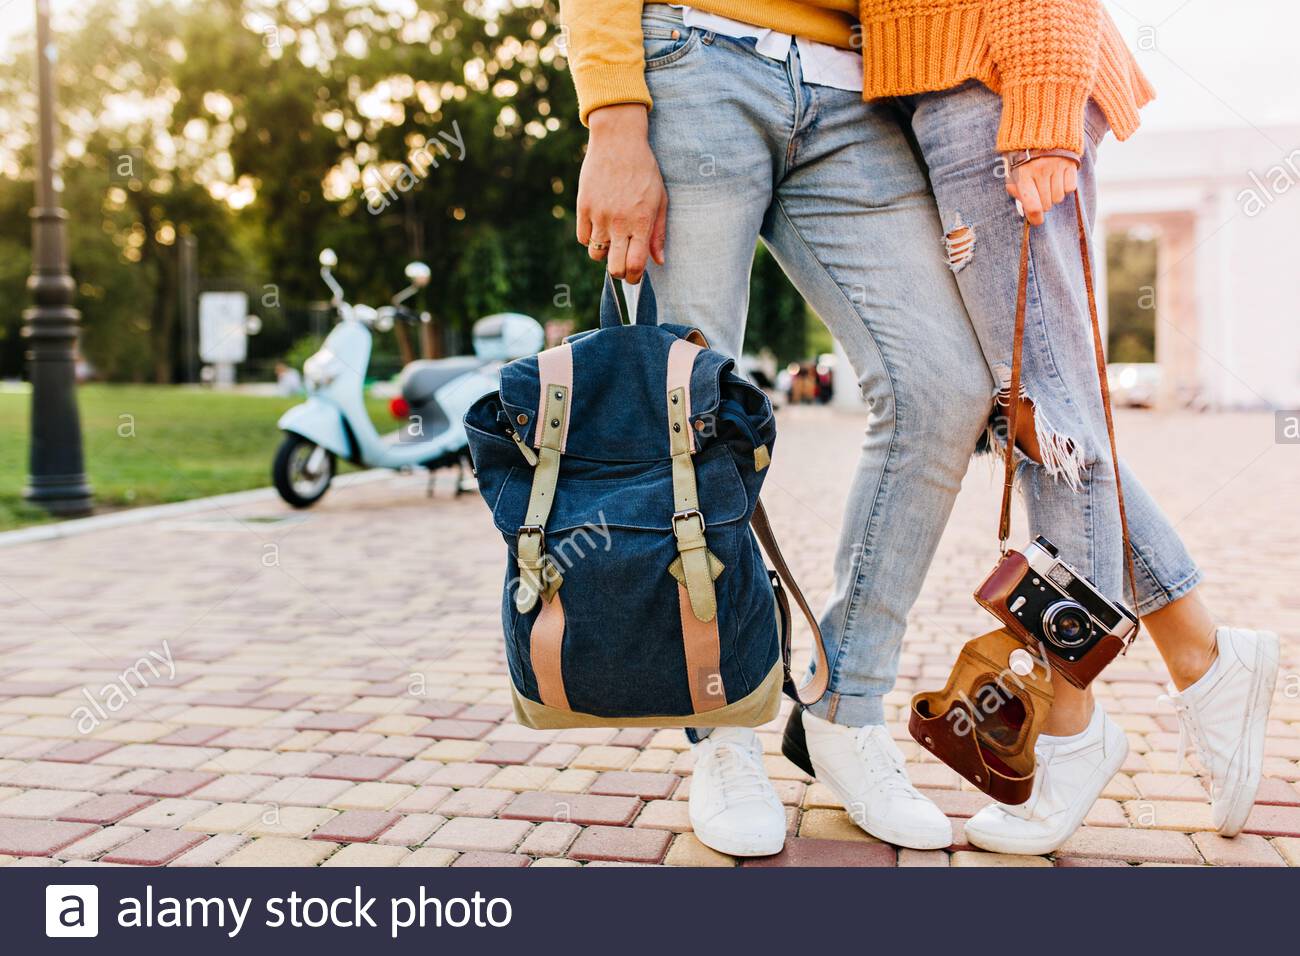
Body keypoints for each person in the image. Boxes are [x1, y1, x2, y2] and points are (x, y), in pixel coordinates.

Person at [560, 0, 992, 855]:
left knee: (943, 385)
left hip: (860, 88)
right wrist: (612, 115)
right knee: (681, 403)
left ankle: (844, 709)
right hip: (692, 54)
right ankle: (719, 728)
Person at [859, 0, 1279, 854]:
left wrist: (1045, 104)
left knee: (1045, 416)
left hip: (997, 85)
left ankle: (1068, 729)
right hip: (961, 93)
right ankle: (1205, 659)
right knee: (1045, 419)